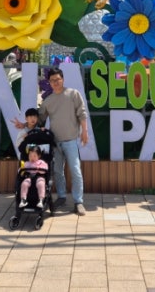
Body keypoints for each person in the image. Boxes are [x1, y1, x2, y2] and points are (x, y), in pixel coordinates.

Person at [38, 67, 89, 216]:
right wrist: (24, 125)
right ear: (49, 82)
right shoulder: (48, 101)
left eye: (58, 79)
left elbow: (82, 113)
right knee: (57, 171)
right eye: (52, 80)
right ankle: (61, 197)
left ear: (63, 79)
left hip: (71, 141)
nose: (55, 82)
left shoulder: (73, 94)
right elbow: (39, 119)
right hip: (55, 143)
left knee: (76, 171)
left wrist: (84, 132)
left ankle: (78, 201)